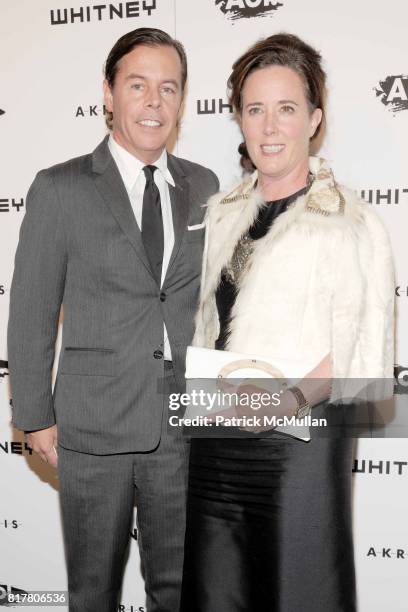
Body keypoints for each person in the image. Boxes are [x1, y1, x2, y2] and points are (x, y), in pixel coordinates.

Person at [180, 33, 394, 611]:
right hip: (218, 447)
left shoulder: (354, 223)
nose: (270, 127)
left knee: (301, 593)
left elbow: (364, 362)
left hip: (299, 451)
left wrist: (284, 401)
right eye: (255, 109)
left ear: (314, 119)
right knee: (215, 593)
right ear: (240, 121)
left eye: (286, 109)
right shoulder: (221, 215)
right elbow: (209, 334)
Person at [7, 27, 218, 612]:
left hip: (180, 426)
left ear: (181, 100)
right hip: (89, 428)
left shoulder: (204, 186)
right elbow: (30, 309)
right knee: (93, 590)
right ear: (108, 92)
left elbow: (208, 305)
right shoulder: (60, 188)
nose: (155, 102)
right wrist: (34, 416)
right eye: (138, 85)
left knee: (178, 589)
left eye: (168, 88)